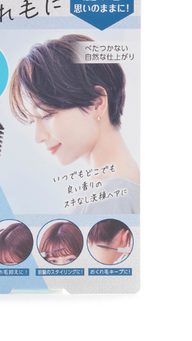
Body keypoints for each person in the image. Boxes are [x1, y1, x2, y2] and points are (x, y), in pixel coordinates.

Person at [9, 34, 140, 214]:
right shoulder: (126, 185)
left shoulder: (109, 197)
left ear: (97, 103)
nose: (39, 137)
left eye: (47, 115)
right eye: (33, 121)